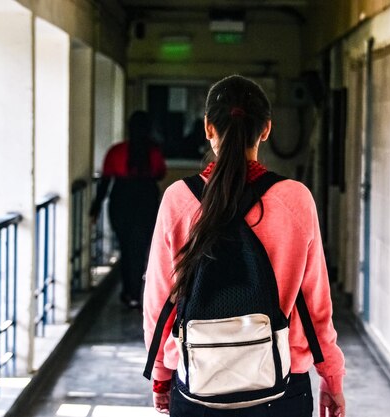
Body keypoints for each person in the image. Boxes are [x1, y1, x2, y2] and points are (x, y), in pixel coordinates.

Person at [143, 75, 346, 417]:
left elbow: (161, 301)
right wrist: (332, 379)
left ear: (209, 128)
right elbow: (315, 306)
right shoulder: (295, 199)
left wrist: (162, 374)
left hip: (196, 382)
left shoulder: (178, 199)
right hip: (281, 387)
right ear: (266, 130)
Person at [90, 111, 166, 309]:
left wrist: (95, 207)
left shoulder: (116, 151)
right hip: (146, 200)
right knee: (140, 249)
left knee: (125, 248)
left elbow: (105, 181)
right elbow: (160, 174)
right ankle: (136, 294)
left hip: (121, 200)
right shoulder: (154, 152)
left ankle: (128, 292)